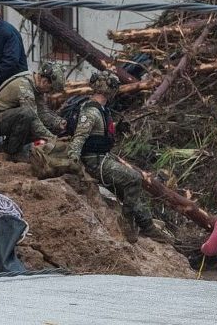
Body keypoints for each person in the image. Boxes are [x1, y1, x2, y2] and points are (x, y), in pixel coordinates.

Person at [65, 71, 173, 244]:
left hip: (102, 157)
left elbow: (98, 132)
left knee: (128, 189)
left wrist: (117, 127)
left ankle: (147, 225)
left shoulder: (100, 109)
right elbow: (79, 138)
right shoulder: (91, 111)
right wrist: (73, 163)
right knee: (133, 179)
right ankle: (127, 222)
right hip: (94, 161)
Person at [0, 62, 65, 157]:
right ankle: (12, 152)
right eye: (50, 89)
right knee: (27, 114)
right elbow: (33, 119)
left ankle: (6, 147)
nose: (49, 92)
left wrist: (58, 123)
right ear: (45, 81)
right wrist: (51, 137)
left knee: (50, 124)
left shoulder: (37, 87)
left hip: (7, 118)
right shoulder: (25, 85)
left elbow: (42, 112)